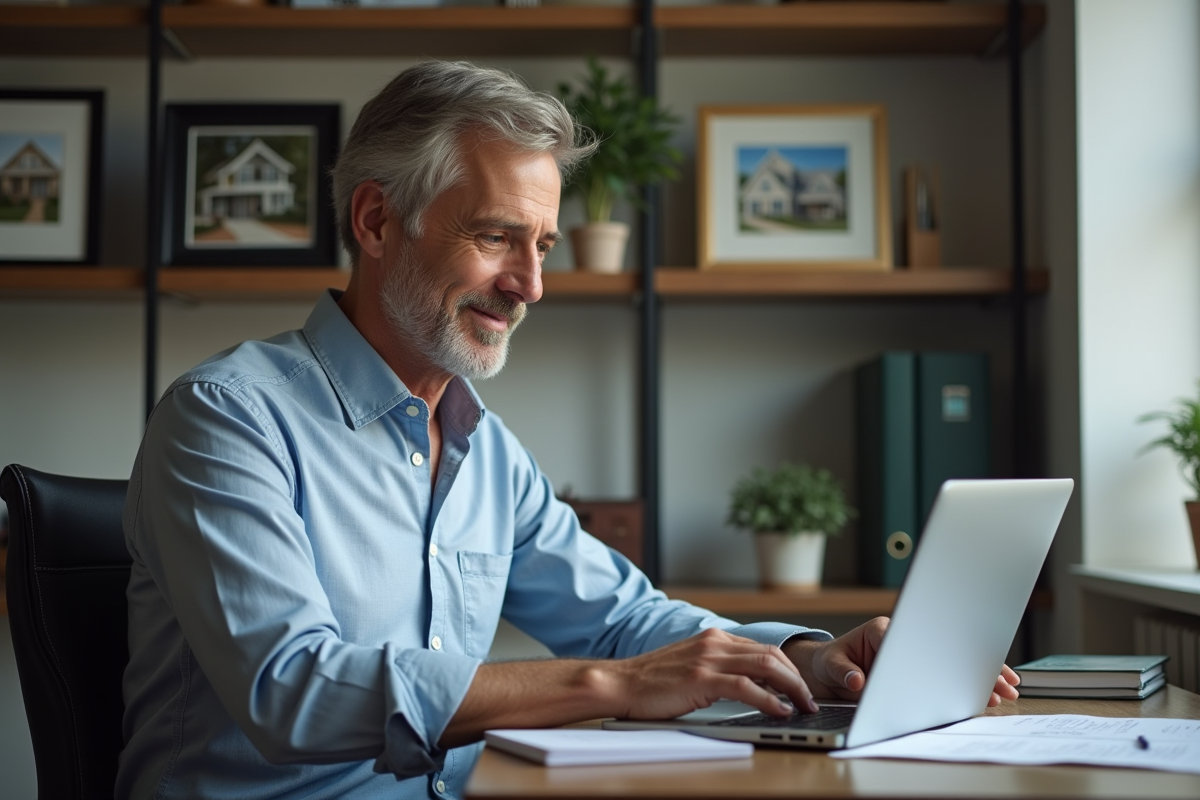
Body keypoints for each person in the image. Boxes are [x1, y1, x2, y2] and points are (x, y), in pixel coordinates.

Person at [116, 61, 1019, 800]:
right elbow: (293, 691)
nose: (530, 285)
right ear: (377, 220)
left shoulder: (485, 451)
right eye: (498, 237)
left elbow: (626, 618)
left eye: (542, 246)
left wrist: (803, 662)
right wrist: (616, 687)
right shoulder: (226, 419)